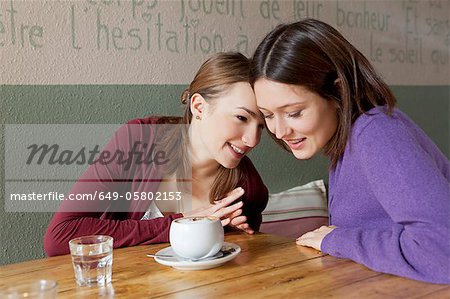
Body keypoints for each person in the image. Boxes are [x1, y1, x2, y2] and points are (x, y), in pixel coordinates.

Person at [250, 19, 449, 284]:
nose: (279, 130)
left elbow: (441, 250)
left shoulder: (376, 132)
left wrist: (339, 239)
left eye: (294, 113)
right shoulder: (347, 143)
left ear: (338, 91)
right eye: (268, 116)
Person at [44, 52, 268, 256]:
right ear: (199, 107)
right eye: (241, 118)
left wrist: (231, 238)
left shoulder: (247, 188)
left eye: (261, 125)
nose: (253, 140)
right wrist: (177, 223)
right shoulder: (137, 140)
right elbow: (59, 238)